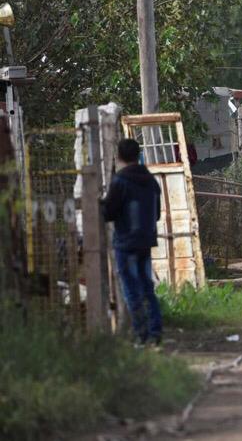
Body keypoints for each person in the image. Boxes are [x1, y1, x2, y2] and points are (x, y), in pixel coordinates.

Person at [103, 139, 163, 345]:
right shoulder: (151, 181)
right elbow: (156, 214)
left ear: (118, 156)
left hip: (125, 243)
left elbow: (108, 213)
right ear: (138, 155)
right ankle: (155, 332)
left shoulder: (119, 182)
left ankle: (141, 334)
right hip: (146, 241)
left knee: (131, 289)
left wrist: (98, 204)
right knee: (147, 287)